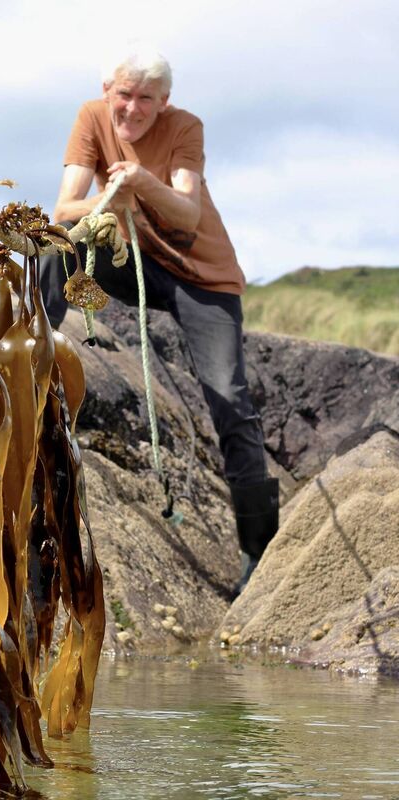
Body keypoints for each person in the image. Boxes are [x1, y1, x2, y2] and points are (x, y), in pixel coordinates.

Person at [39, 44, 279, 595]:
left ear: (164, 101)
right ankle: (38, 347)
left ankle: (258, 553)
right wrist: (110, 196)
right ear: (108, 93)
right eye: (124, 94)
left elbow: (188, 211)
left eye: (147, 98)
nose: (133, 108)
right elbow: (64, 211)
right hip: (136, 260)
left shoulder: (185, 127)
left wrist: (142, 183)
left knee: (227, 397)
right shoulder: (90, 118)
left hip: (204, 277)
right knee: (53, 246)